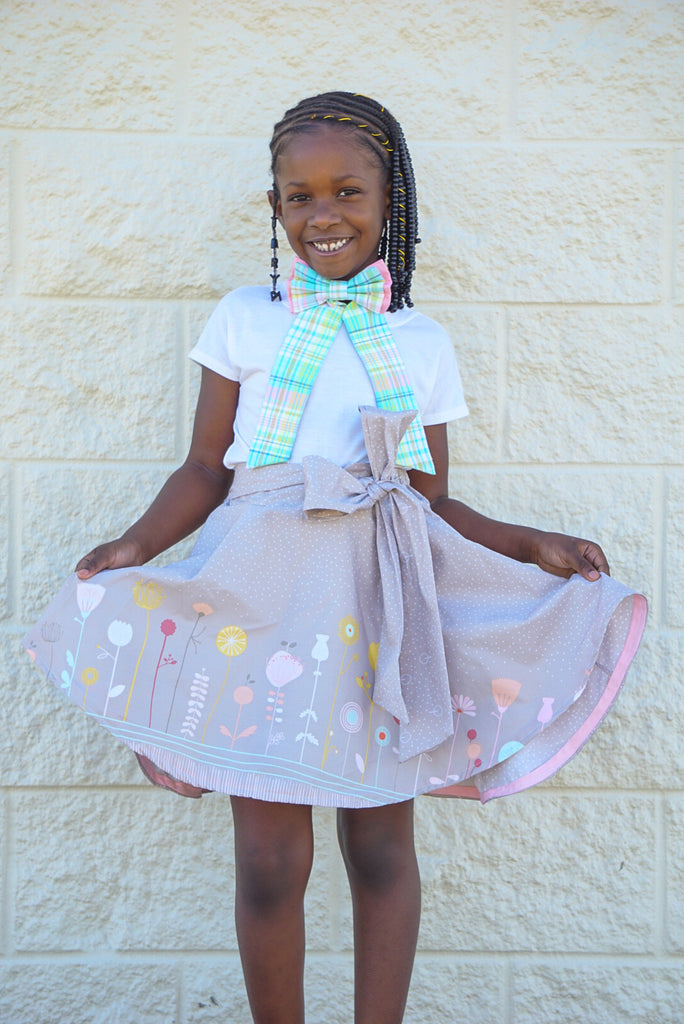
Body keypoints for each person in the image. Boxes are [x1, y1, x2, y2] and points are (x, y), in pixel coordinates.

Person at [25, 92, 647, 1024]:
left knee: (381, 849)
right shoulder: (244, 318)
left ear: (390, 201)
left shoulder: (420, 341)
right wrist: (137, 546)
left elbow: (430, 500)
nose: (324, 214)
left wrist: (530, 545)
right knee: (270, 860)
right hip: (258, 598)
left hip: (377, 603)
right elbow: (206, 467)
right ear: (274, 207)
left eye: (348, 191)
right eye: (299, 196)